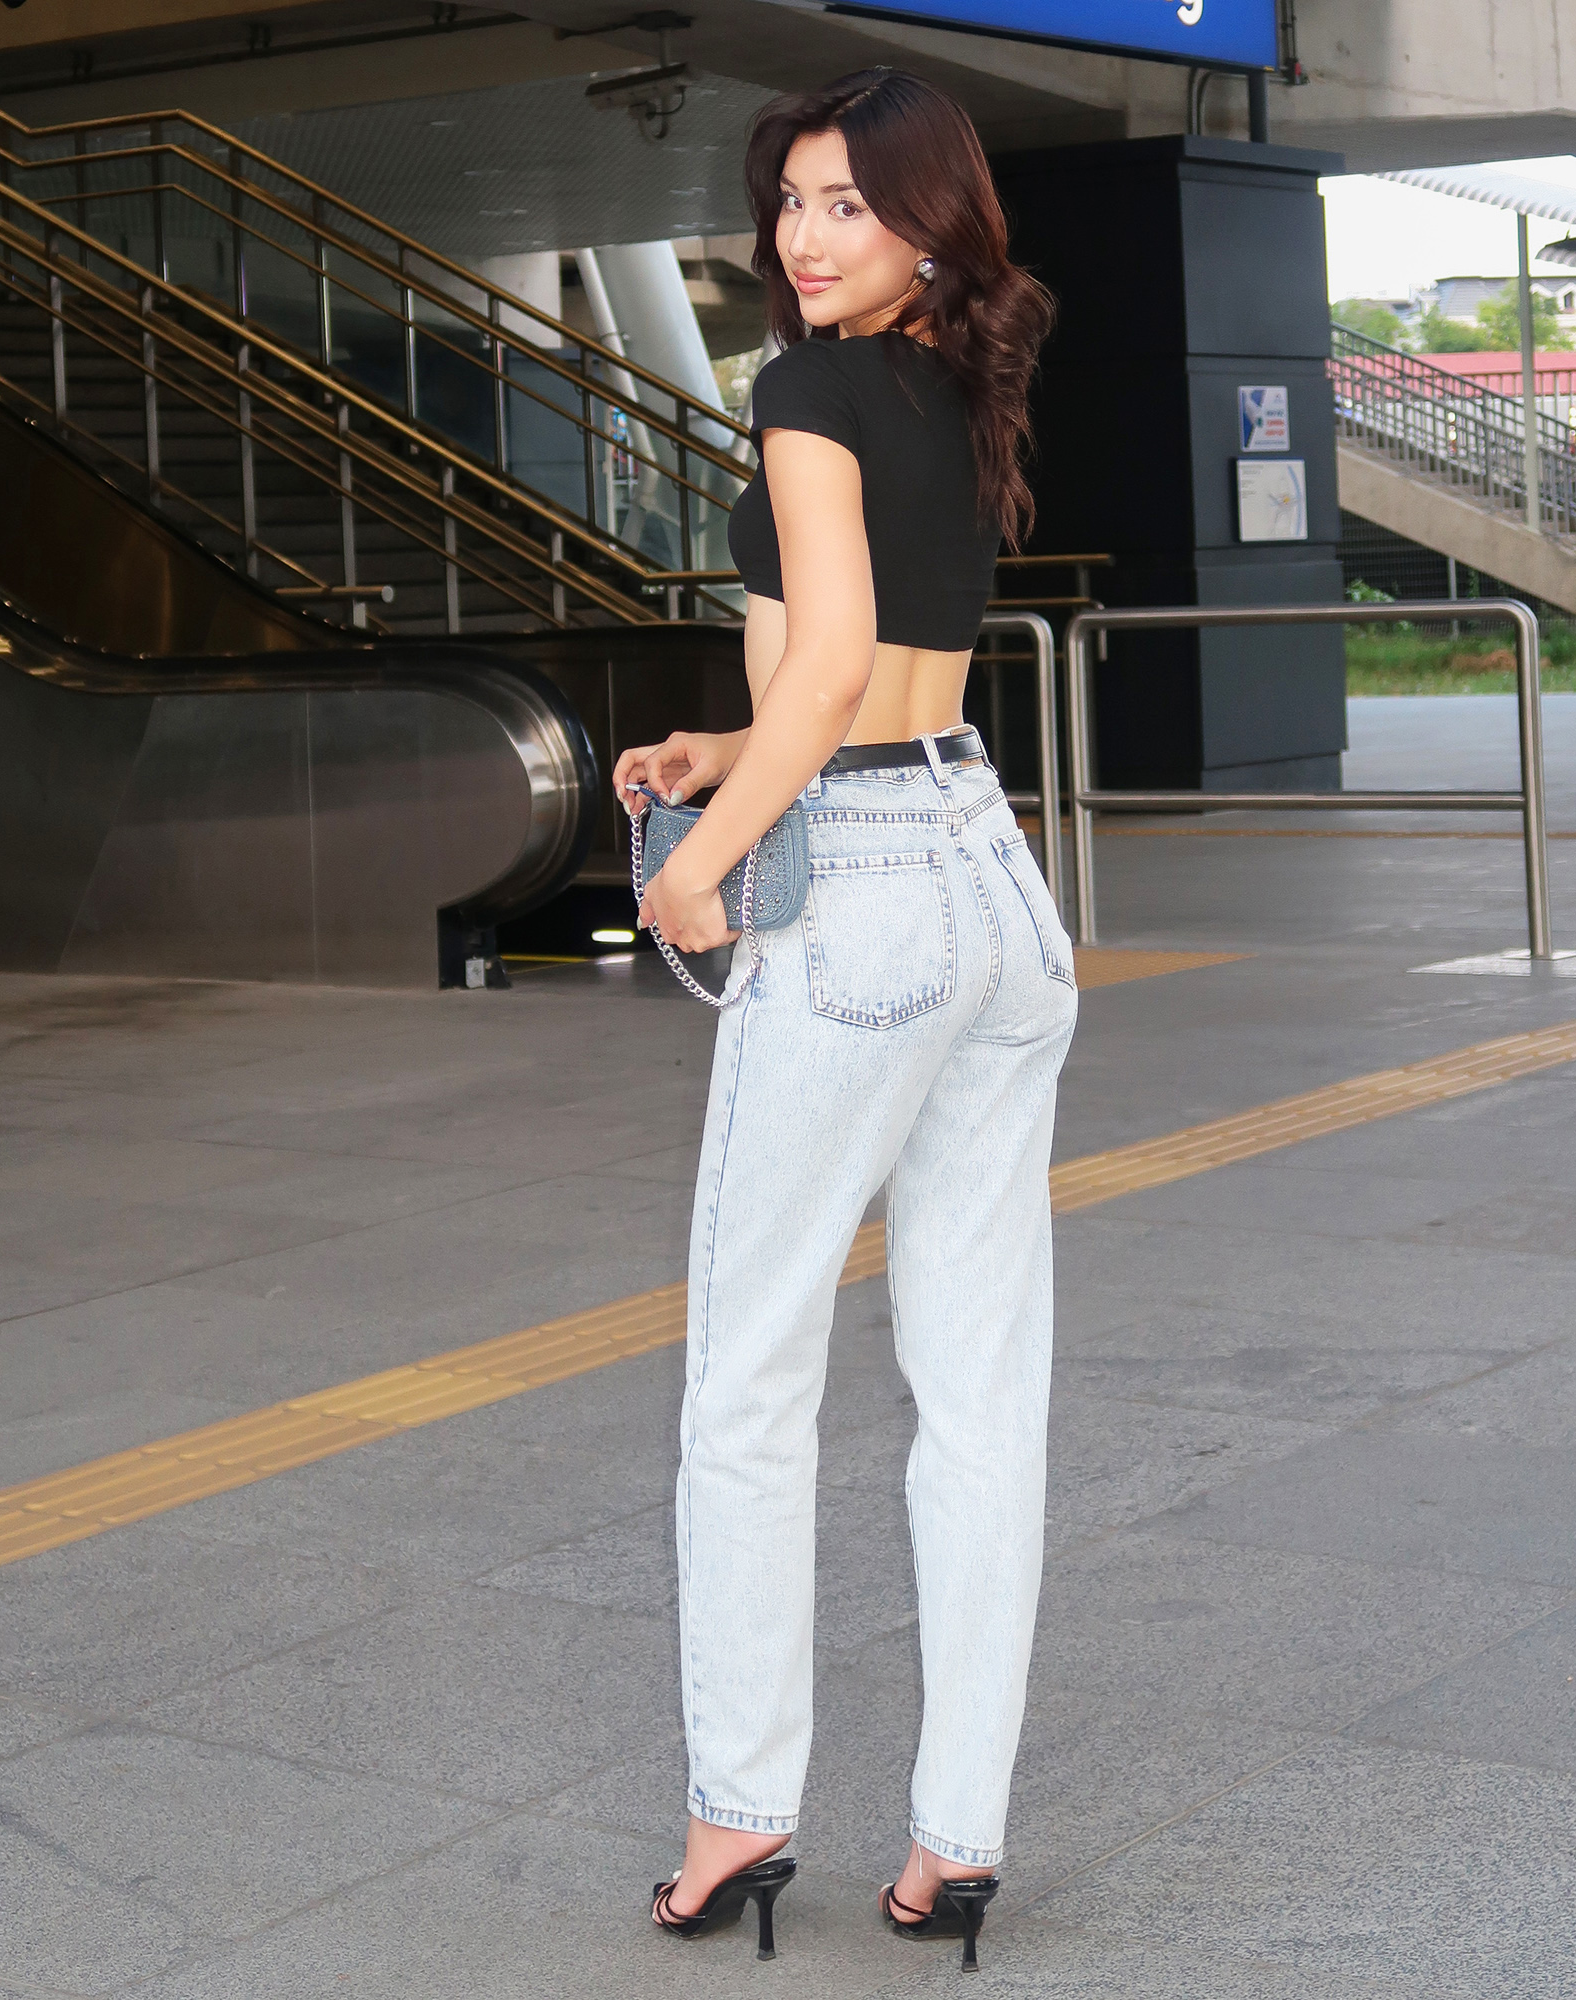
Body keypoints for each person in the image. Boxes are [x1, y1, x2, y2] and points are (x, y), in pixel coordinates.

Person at [613, 66, 1073, 1968]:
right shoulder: (956, 382)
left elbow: (823, 680)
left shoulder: (807, 387)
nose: (805, 236)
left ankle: (738, 1815)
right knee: (979, 1390)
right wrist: (725, 749)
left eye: (847, 204)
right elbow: (877, 676)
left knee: (750, 1378)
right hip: (988, 874)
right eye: (792, 201)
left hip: (863, 898)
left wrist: (699, 863)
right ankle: (956, 1845)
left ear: (929, 224)